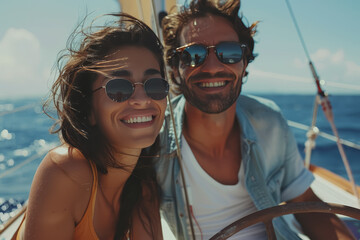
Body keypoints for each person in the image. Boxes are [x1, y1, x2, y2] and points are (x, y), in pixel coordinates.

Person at [155, 0, 355, 239]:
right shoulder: (154, 142)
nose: (211, 66)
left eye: (228, 53)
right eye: (193, 54)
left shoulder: (269, 122)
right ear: (176, 68)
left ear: (245, 61)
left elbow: (307, 205)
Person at [14, 13, 169, 240]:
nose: (142, 98)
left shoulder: (144, 189)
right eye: (119, 87)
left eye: (154, 84)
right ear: (89, 110)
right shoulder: (65, 172)